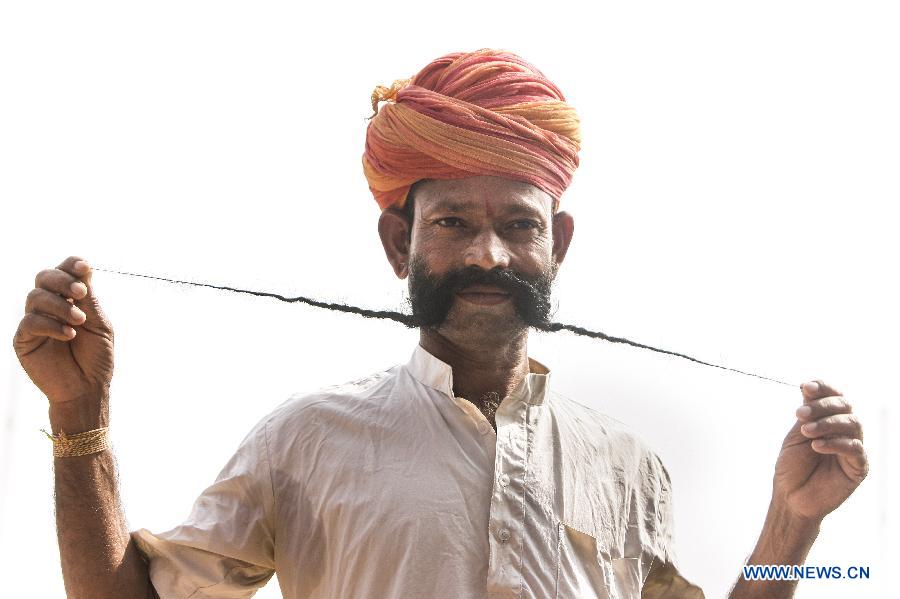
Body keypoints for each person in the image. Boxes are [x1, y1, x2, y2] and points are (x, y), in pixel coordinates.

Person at [13, 49, 868, 599]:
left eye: (521, 225)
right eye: (453, 222)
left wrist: (793, 525)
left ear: (558, 243)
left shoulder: (629, 466)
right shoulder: (306, 439)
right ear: (400, 244)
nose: (490, 255)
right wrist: (77, 421)